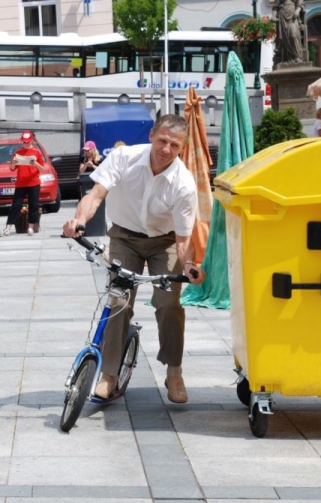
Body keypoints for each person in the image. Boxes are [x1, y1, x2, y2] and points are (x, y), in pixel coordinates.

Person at [62, 114, 206, 404]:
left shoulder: (184, 184)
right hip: (124, 237)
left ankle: (174, 371)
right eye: (162, 140)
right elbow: (96, 195)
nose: (166, 149)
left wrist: (189, 265)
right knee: (119, 301)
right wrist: (78, 220)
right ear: (152, 135)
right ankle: (109, 376)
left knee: (169, 304)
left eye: (174, 145)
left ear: (182, 149)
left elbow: (182, 240)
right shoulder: (123, 157)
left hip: (164, 242)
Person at [0, 130, 45, 237]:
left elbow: (42, 169)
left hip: (33, 182)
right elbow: (12, 168)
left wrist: (35, 164)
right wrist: (13, 163)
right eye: (24, 142)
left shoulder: (37, 152)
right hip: (21, 183)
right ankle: (8, 227)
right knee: (16, 205)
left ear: (32, 141)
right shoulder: (17, 152)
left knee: (33, 205)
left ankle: (31, 227)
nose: (26, 144)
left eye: (28, 142)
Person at [273, 0, 306, 65]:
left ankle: (297, 57)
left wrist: (297, 10)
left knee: (293, 35)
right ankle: (285, 59)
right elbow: (276, 6)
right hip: (282, 15)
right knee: (284, 37)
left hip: (293, 14)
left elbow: (301, 2)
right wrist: (273, 16)